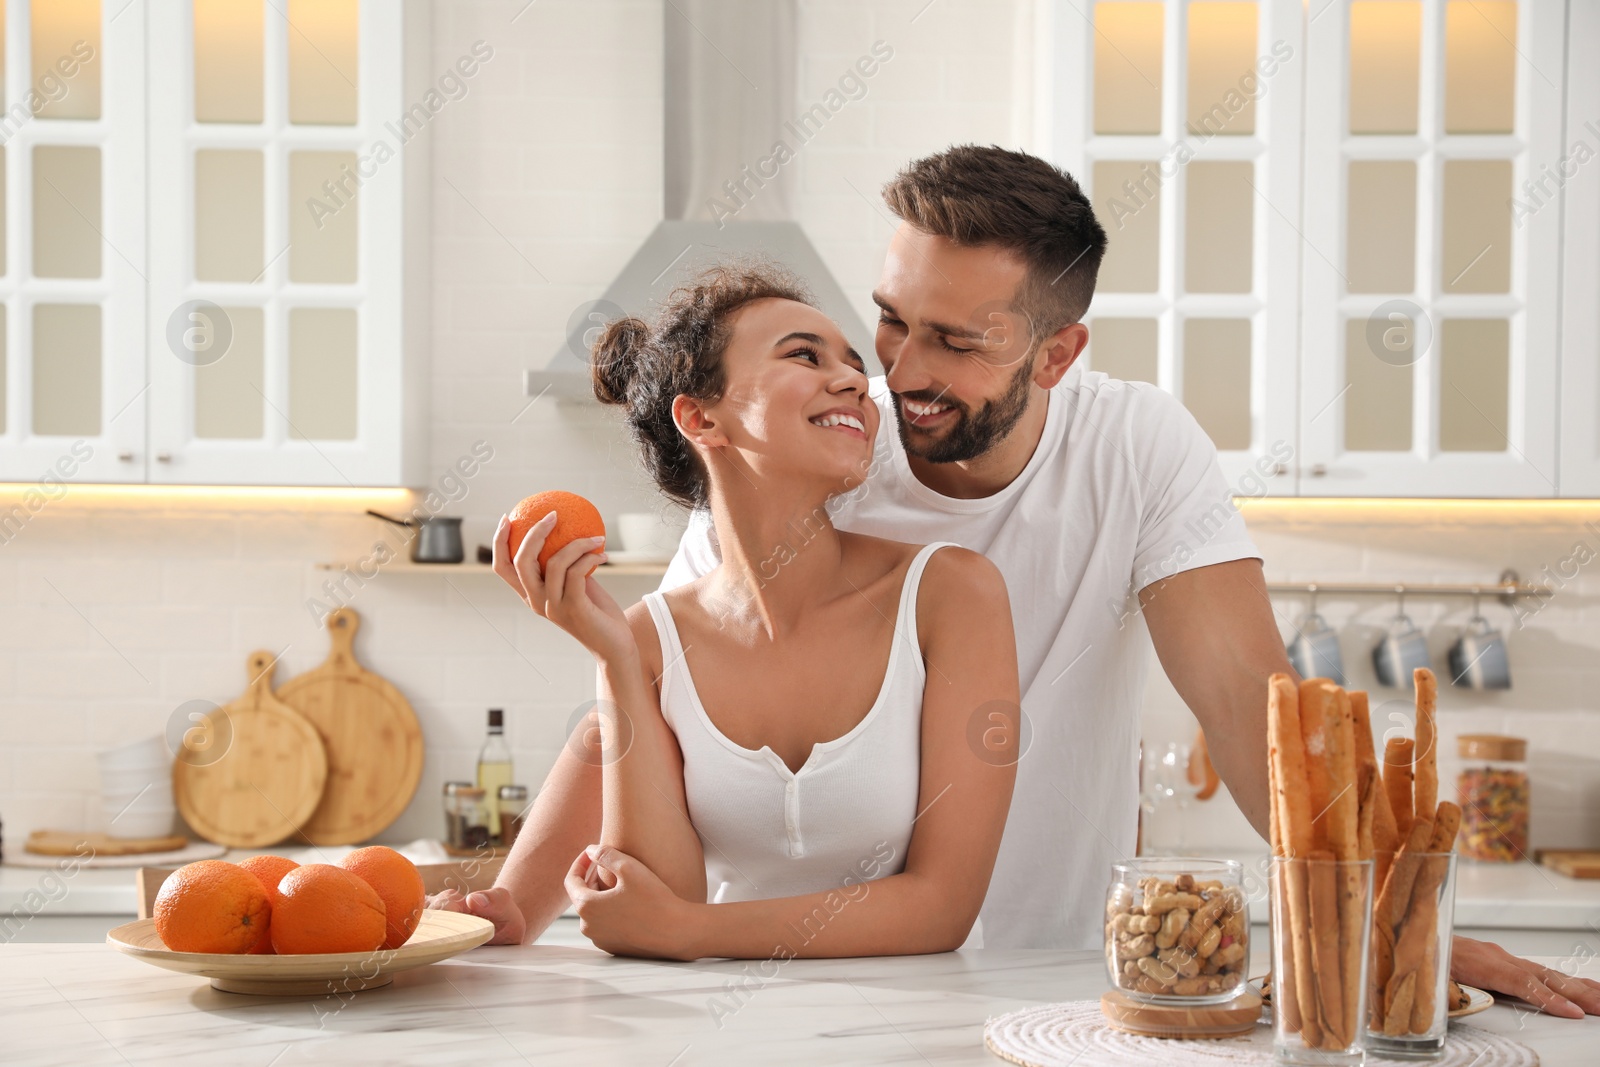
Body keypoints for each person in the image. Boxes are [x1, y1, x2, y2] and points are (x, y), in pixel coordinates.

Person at [434, 145, 1600, 1017]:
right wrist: (525, 897)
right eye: (888, 322)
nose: (895, 372)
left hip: (1046, 961)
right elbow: (664, 675)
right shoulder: (835, 438)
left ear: (1055, 353)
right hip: (774, 971)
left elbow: (1252, 714)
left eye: (955, 340)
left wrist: (1390, 913)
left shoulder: (1135, 449)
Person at [471, 263, 1021, 959]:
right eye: (803, 354)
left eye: (853, 363)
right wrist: (614, 660)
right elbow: (647, 901)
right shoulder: (646, 638)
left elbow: (941, 907)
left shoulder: (950, 595)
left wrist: (690, 931)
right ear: (702, 417)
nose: (856, 379)